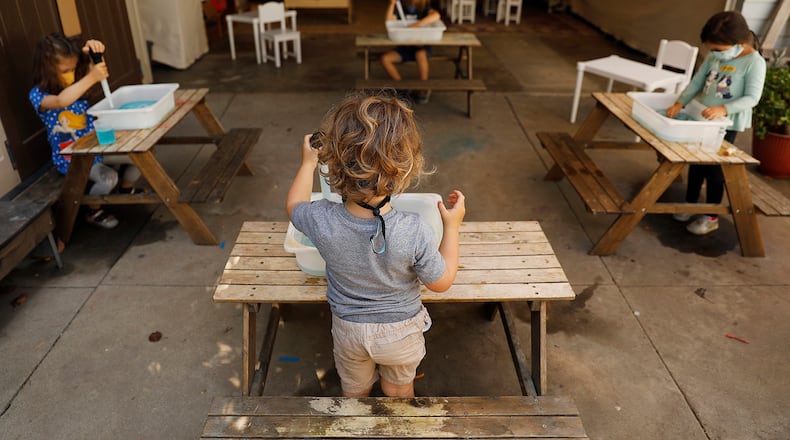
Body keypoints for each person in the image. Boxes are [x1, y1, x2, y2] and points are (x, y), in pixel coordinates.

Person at [286, 92, 466, 397]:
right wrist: (452, 226)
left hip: (349, 331)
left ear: (335, 166)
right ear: (405, 169)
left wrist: (307, 163)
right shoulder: (414, 229)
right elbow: (442, 282)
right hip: (401, 332)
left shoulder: (322, 219)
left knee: (355, 395)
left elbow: (294, 205)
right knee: (398, 395)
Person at [30, 32, 144, 230]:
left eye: (74, 69)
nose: (71, 74)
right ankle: (94, 210)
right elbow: (61, 101)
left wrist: (93, 52)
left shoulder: (77, 81)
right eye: (66, 70)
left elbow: (92, 69)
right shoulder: (39, 95)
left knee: (139, 157)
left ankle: (125, 190)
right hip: (73, 157)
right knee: (109, 177)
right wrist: (91, 77)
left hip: (96, 145)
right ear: (47, 69)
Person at [666, 11, 766, 235]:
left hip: (726, 124)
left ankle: (711, 216)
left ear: (738, 43)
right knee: (695, 163)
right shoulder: (714, 57)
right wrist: (680, 103)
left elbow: (752, 98)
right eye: (710, 49)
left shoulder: (754, 63)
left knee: (714, 170)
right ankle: (690, 204)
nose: (713, 53)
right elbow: (697, 82)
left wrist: (724, 109)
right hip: (703, 118)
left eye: (718, 50)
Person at [381, 0, 442, 104]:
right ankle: (403, 87)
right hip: (405, 47)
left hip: (421, 44)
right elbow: (389, 21)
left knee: (420, 54)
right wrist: (392, 4)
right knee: (385, 59)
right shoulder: (402, 7)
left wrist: (416, 25)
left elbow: (436, 15)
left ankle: (424, 89)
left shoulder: (424, 6)